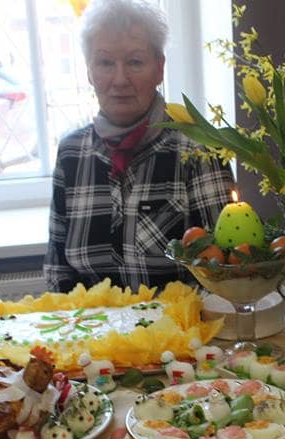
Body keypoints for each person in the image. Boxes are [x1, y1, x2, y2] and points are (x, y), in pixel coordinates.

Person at [44, 0, 234, 292]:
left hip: (182, 321)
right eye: (105, 63)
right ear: (89, 72)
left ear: (159, 69)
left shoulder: (198, 150)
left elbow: (224, 276)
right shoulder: (71, 153)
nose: (120, 80)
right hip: (90, 321)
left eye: (135, 62)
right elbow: (58, 272)